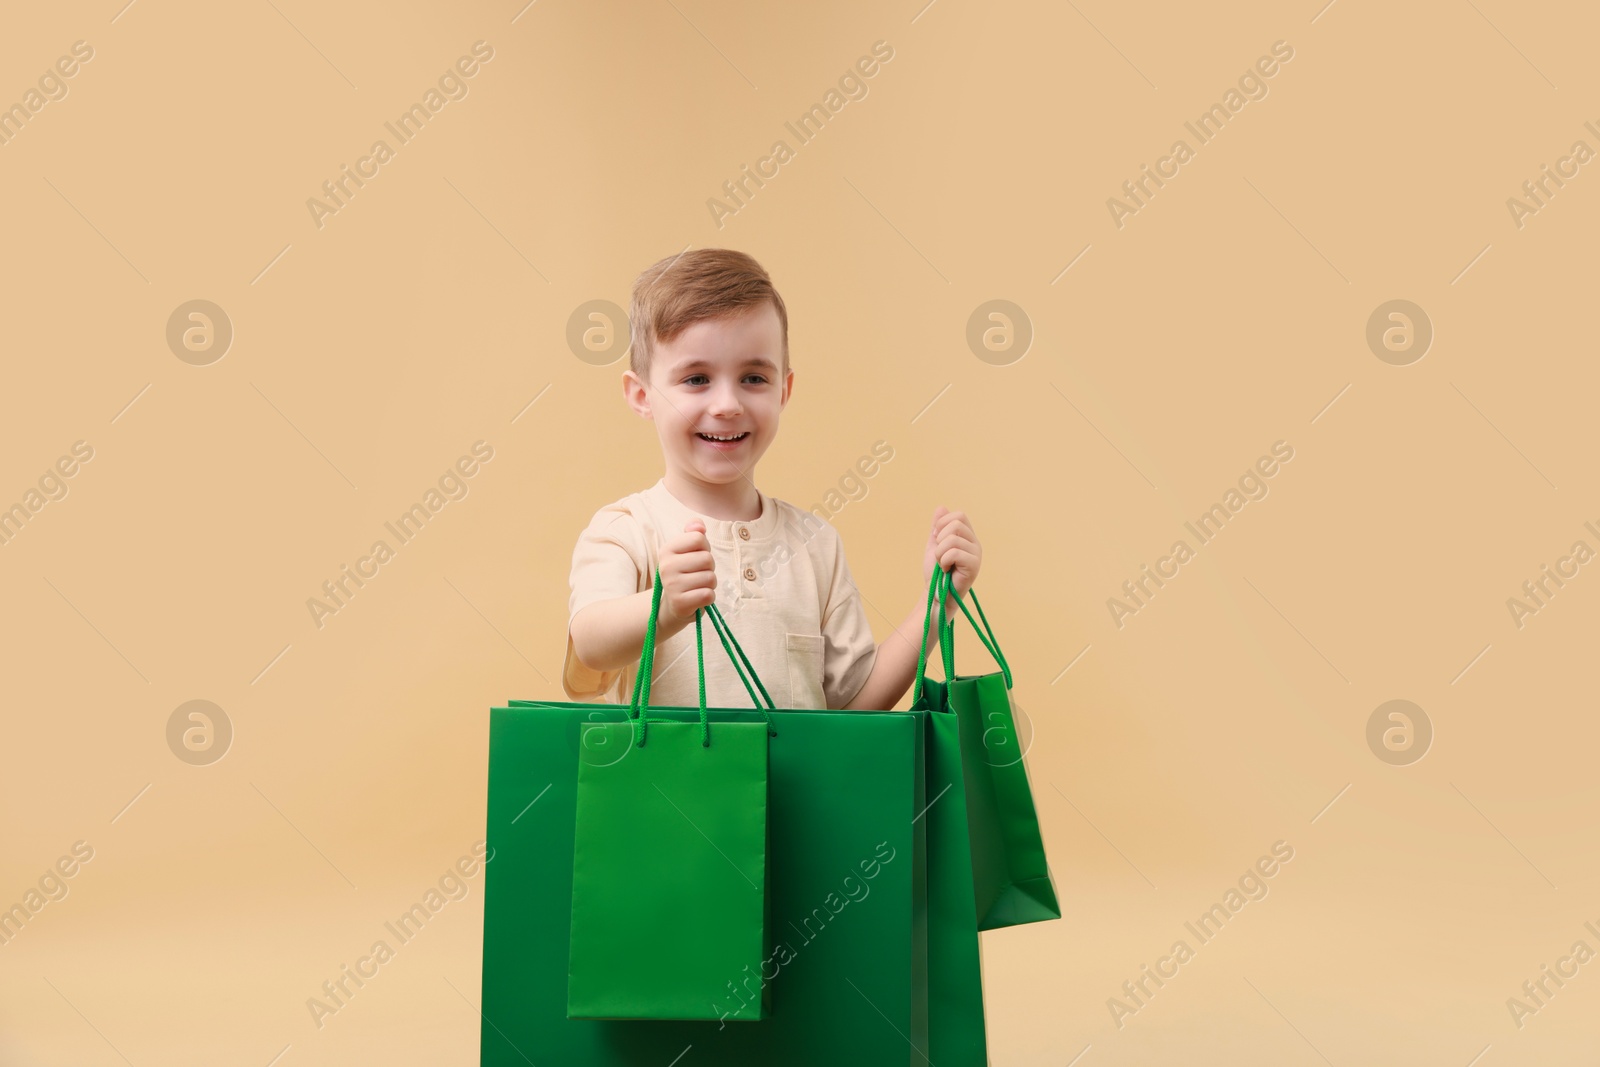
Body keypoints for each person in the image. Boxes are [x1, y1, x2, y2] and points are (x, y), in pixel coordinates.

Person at [563, 248, 982, 711]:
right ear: (642, 396)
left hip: (799, 788)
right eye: (697, 379)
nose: (727, 404)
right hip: (668, 787)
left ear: (784, 390)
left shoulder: (816, 545)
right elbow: (590, 642)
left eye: (753, 378)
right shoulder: (626, 530)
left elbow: (855, 707)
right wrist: (663, 608)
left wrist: (938, 604)